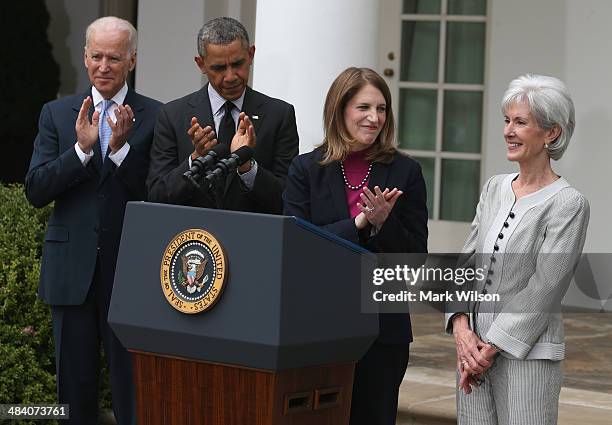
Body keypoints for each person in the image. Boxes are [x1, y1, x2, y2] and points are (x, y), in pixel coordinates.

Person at [25, 17, 161, 424]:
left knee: (132, 392)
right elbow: (36, 188)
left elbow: (159, 192)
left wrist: (120, 153)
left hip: (129, 272)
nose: (104, 65)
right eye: (97, 56)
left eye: (114, 57)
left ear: (132, 60)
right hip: (71, 273)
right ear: (85, 57)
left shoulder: (155, 116)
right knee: (74, 394)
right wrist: (81, 152)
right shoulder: (57, 113)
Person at [283, 67, 428, 425]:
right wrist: (359, 224)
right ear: (340, 109)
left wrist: (383, 224)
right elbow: (298, 246)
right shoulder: (306, 170)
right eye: (364, 107)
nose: (374, 118)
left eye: (381, 109)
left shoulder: (406, 172)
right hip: (319, 324)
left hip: (382, 329)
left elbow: (415, 257)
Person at [446, 74, 590, 424]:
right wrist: (462, 331)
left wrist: (488, 349)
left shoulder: (569, 204)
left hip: (529, 357)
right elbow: (466, 263)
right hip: (472, 352)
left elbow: (544, 288)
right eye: (507, 120)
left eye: (521, 122)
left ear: (551, 133)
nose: (508, 130)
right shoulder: (494, 188)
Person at [147, 17, 298, 213]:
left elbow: (288, 198)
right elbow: (157, 195)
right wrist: (196, 159)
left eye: (237, 64)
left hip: (255, 236)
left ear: (251, 54)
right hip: (193, 238)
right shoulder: (173, 115)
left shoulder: (279, 115)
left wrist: (246, 165)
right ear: (201, 64)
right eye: (219, 68)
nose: (231, 76)